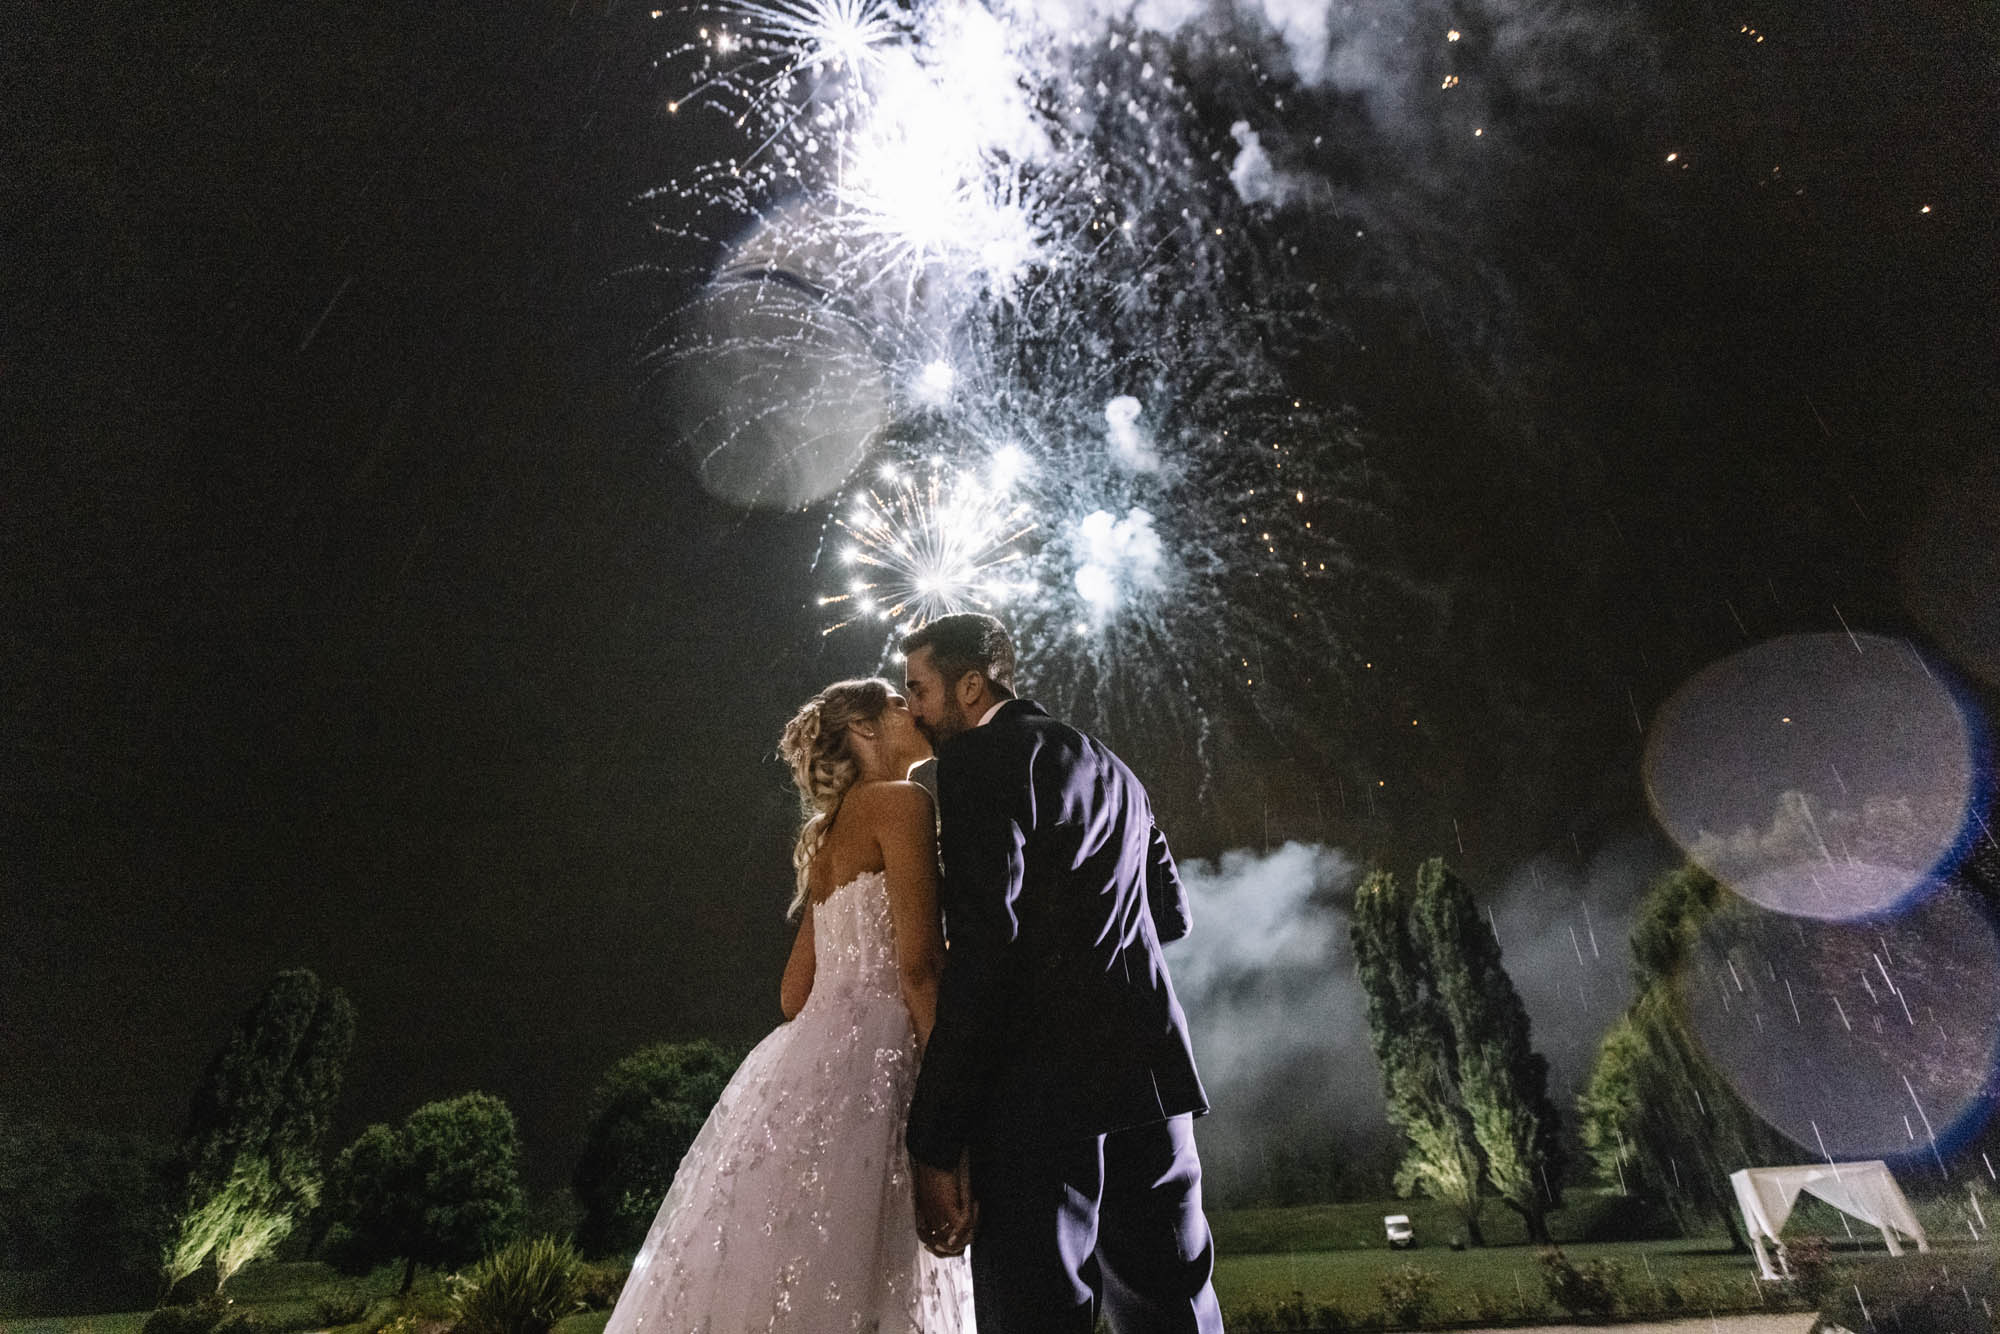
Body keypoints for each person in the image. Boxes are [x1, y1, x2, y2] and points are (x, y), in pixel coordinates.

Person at [602, 677, 976, 1334]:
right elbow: (920, 970)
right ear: (862, 730)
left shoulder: (829, 835)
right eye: (895, 703)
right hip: (887, 1060)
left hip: (813, 1060)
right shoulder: (902, 803)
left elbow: (793, 993)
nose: (911, 708)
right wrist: (954, 1109)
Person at [900, 613, 1223, 1334]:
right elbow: (1171, 919)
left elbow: (984, 947)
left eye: (918, 689)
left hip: (1037, 1090)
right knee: (1174, 1301)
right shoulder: (1114, 769)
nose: (912, 710)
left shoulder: (976, 763)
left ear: (971, 686)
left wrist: (935, 1140)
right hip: (1149, 1072)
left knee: (1038, 1311)